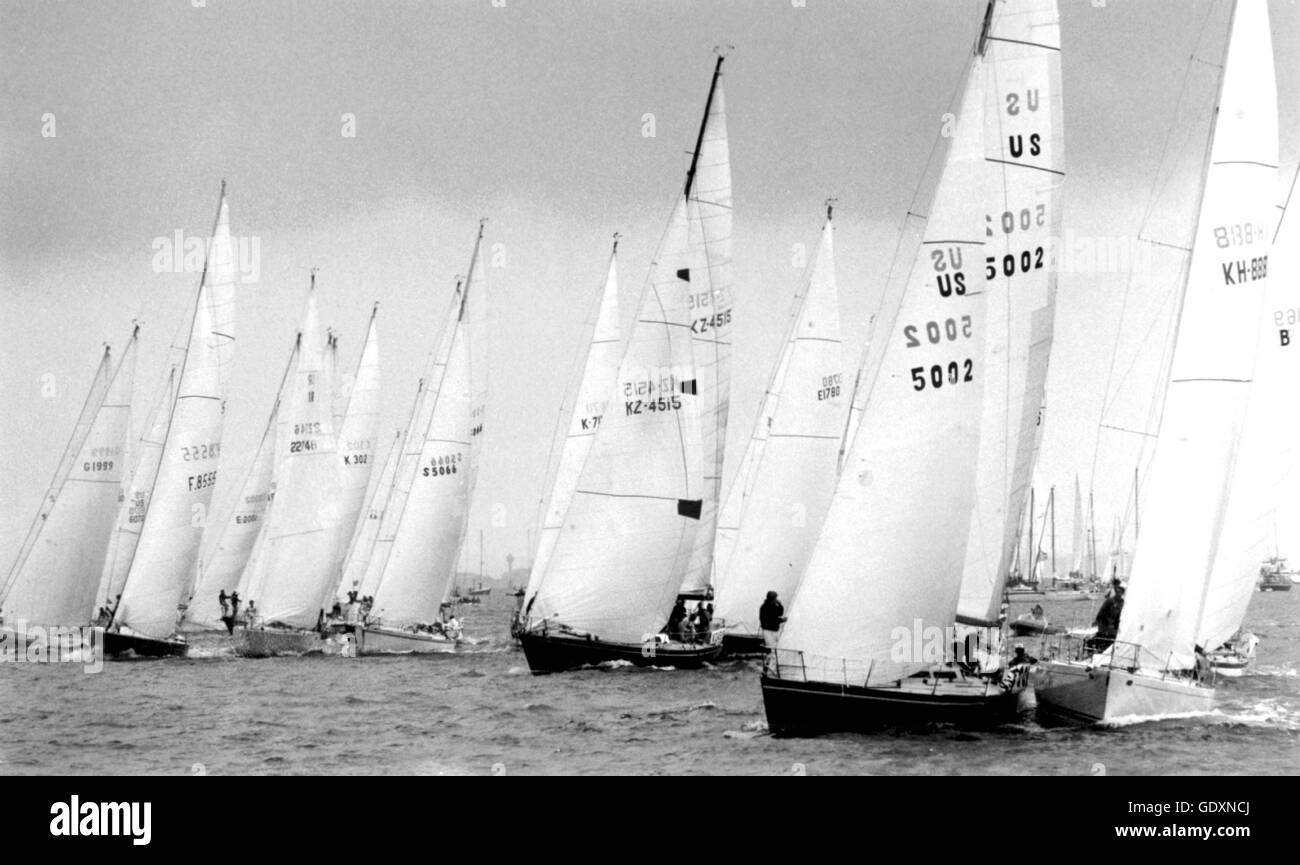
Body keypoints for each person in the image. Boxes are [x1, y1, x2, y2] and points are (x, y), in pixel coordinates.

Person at [1087, 579, 1124, 652]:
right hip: (1106, 627)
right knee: (1093, 641)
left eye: (1120, 592)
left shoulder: (1123, 603)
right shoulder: (1110, 601)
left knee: (1110, 642)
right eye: (1117, 591)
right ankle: (1092, 652)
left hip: (1115, 628)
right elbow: (1102, 612)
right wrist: (1098, 621)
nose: (1118, 593)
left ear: (1122, 593)